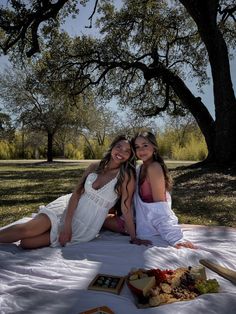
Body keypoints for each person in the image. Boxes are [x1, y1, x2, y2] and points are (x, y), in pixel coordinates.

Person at [0, 135, 150, 249]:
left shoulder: (126, 176)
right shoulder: (94, 166)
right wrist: (67, 225)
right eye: (118, 147)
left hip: (86, 225)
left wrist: (134, 237)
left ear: (130, 156)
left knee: (27, 243)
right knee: (28, 230)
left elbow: (126, 207)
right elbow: (76, 194)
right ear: (112, 147)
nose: (121, 152)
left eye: (127, 151)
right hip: (68, 207)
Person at [132, 131, 196, 249]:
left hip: (154, 226)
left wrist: (175, 238)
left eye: (145, 145)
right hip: (142, 223)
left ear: (154, 147)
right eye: (137, 147)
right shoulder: (140, 168)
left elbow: (161, 209)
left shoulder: (154, 167)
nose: (141, 150)